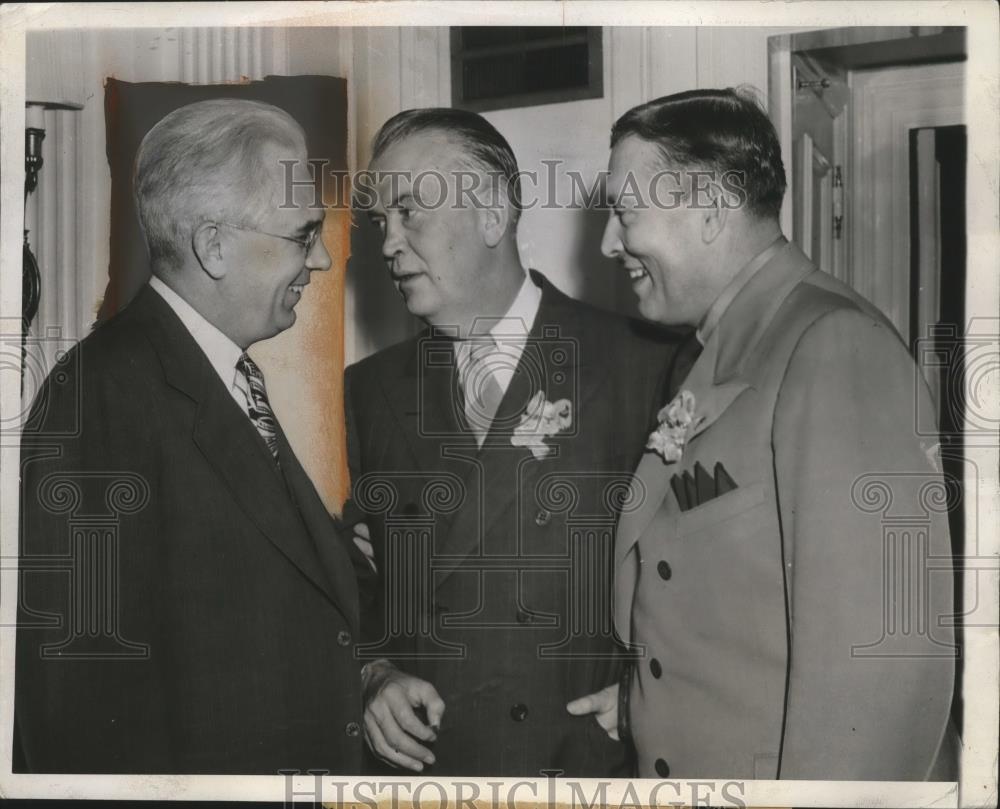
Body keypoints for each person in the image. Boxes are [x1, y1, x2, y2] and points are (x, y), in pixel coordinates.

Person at [569, 87, 957, 780]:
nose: (608, 243)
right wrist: (654, 699)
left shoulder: (833, 345)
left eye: (626, 215)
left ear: (712, 212)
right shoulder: (723, 349)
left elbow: (879, 666)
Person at [15, 99, 366, 774]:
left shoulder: (217, 372)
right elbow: (68, 704)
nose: (320, 260)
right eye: (303, 233)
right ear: (213, 244)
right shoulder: (98, 398)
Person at [343, 108, 681, 776]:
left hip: (579, 765)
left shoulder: (641, 363)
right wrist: (373, 675)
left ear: (493, 216)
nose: (387, 244)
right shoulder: (368, 390)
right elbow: (351, 582)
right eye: (381, 221)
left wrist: (655, 693)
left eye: (410, 212)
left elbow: (704, 575)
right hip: (429, 769)